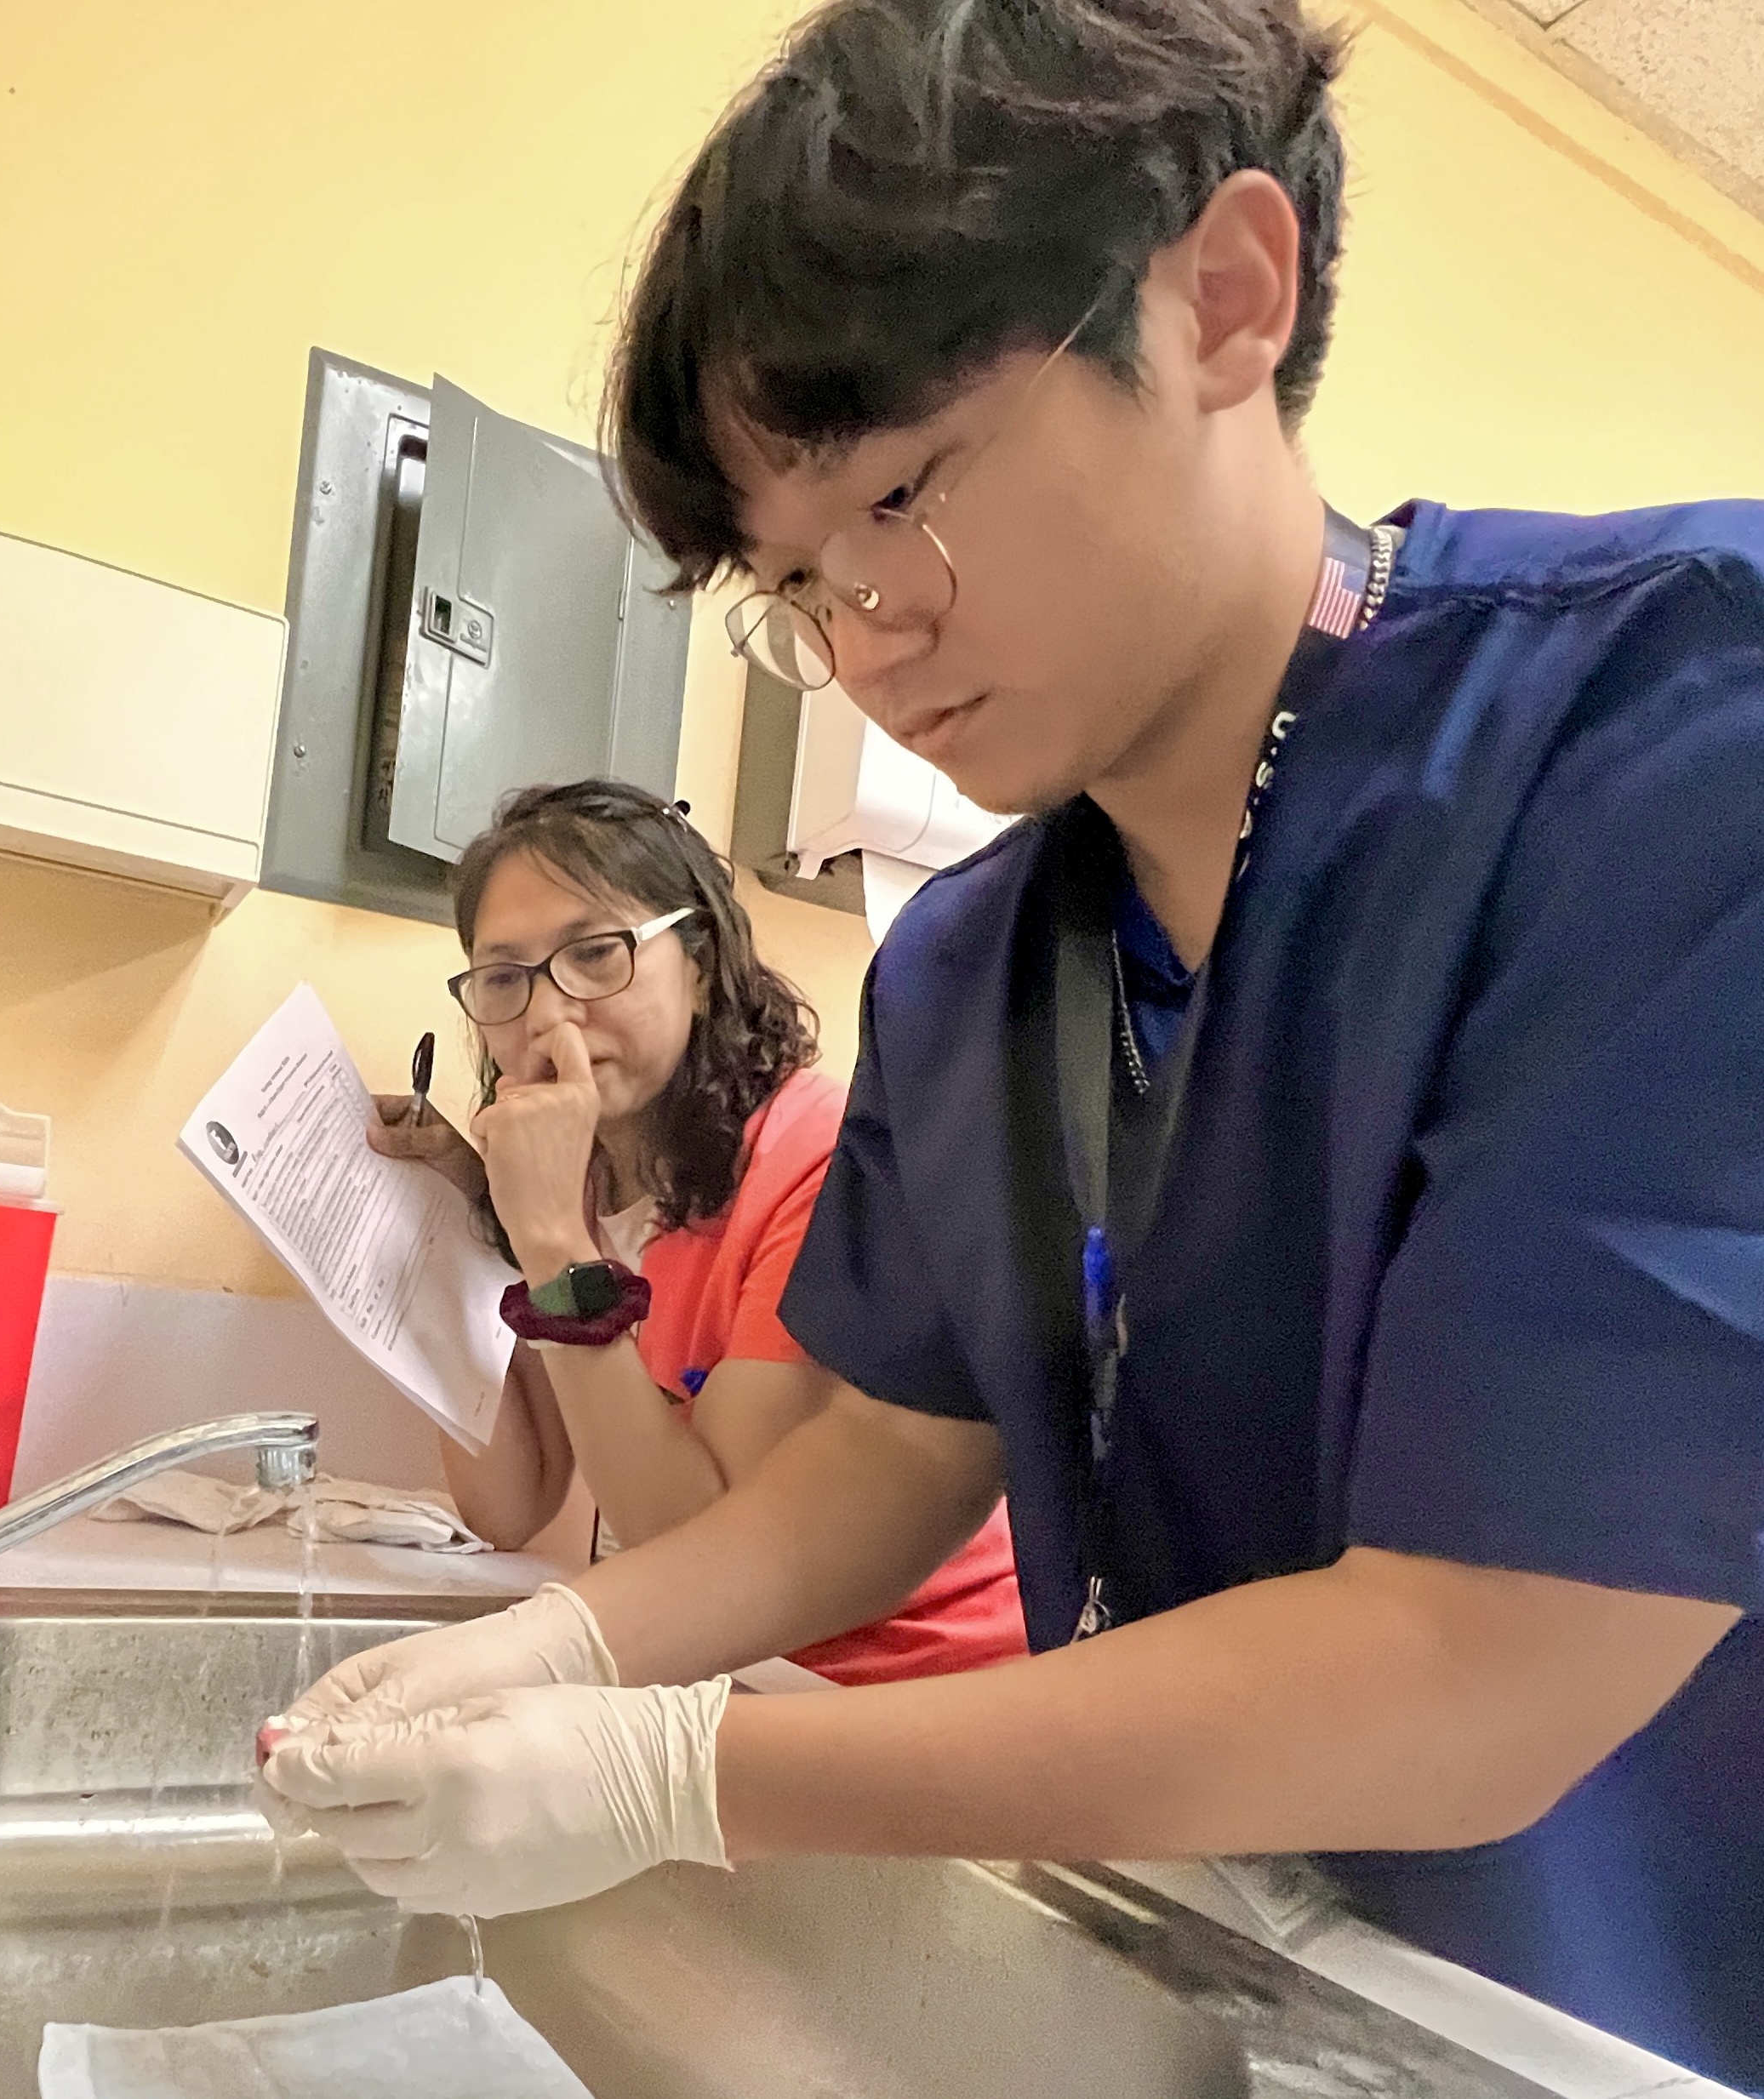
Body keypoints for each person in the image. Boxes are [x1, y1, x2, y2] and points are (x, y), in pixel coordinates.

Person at [258, 3, 1764, 2085]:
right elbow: (882, 1458)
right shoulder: (974, 967)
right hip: (1251, 1968)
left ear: (1225, 295)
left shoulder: (1668, 748)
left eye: (901, 493)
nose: (865, 637)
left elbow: (1481, 1653)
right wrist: (556, 1643)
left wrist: (675, 1772)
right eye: (795, 580)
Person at [363, 777, 1028, 1685]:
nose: (548, 1015)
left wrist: (552, 1236)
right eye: (505, 977)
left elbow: (693, 1542)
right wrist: (446, 1227)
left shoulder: (814, 1162)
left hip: (905, 1688)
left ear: (701, 963)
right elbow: (508, 1504)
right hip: (734, 1673)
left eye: (596, 954)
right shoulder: (583, 1173)